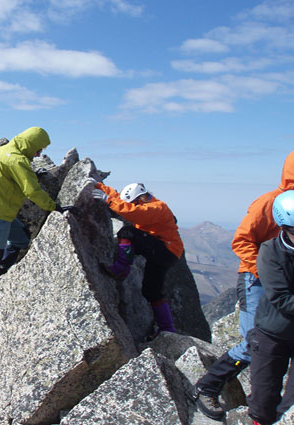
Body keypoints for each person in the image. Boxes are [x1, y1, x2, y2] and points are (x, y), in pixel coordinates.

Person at [194, 151, 294, 420]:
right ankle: (208, 385)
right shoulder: (270, 203)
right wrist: (266, 271)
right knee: (256, 341)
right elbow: (241, 241)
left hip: (280, 278)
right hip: (258, 277)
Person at [0, 126, 63, 315]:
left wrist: (33, 174)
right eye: (38, 149)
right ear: (30, 144)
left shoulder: (1, 151)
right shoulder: (17, 160)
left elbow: (11, 176)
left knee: (21, 239)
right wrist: (55, 207)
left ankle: (2, 272)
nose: (38, 154)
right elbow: (32, 191)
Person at [92, 181, 184, 336]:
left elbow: (135, 214)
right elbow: (122, 202)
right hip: (166, 252)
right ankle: (167, 329)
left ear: (140, 199)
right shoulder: (148, 204)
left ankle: (121, 269)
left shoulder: (157, 207)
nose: (133, 205)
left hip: (165, 250)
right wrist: (100, 186)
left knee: (127, 232)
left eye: (134, 203)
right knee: (151, 291)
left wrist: (108, 200)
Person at [247, 190, 294, 425]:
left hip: (279, 331)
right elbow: (281, 297)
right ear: (285, 227)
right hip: (272, 333)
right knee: (263, 402)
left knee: (291, 406)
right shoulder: (270, 252)